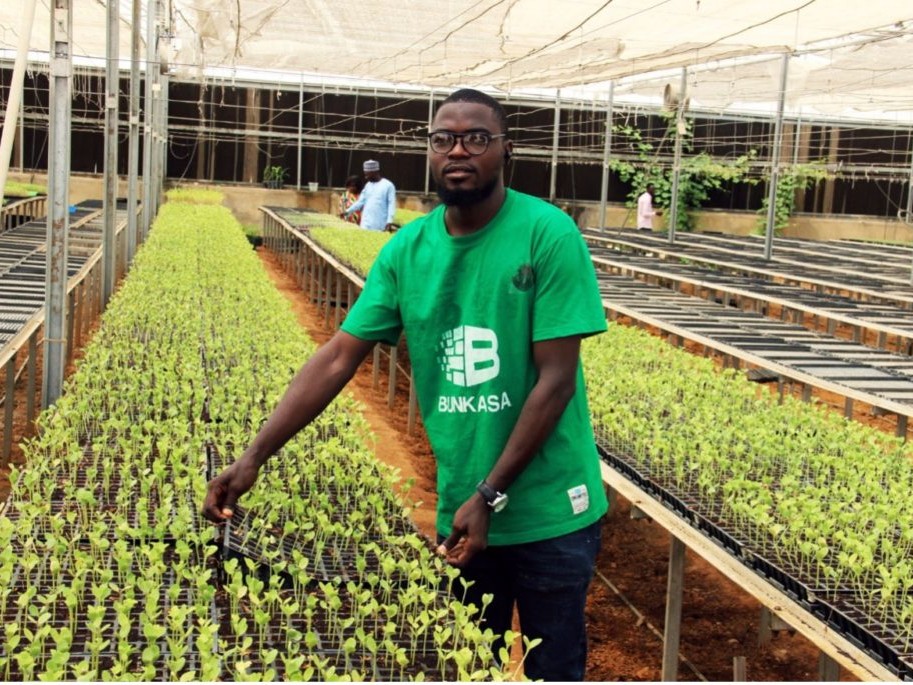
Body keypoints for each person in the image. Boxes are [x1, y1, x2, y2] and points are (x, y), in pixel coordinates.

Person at [202, 88, 608, 681]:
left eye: (476, 138)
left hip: (551, 510)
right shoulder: (407, 251)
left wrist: (489, 495)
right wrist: (252, 458)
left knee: (556, 667)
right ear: (430, 151)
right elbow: (338, 357)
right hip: (463, 506)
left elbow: (556, 380)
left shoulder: (547, 234)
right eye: (444, 139)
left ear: (506, 151)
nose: (458, 151)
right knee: (471, 662)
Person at [343, 159, 396, 231]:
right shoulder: (368, 185)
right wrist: (347, 211)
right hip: (365, 224)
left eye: (367, 174)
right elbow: (360, 202)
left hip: (379, 224)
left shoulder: (388, 185)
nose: (366, 177)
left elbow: (391, 204)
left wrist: (389, 221)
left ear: (374, 172)